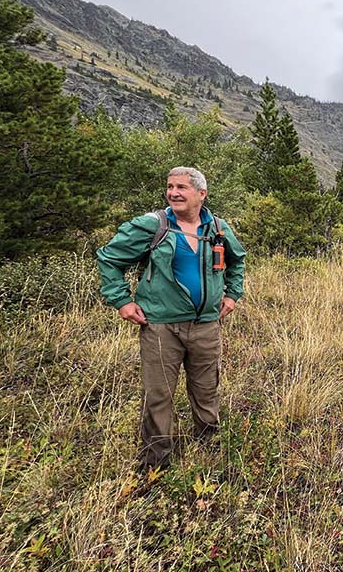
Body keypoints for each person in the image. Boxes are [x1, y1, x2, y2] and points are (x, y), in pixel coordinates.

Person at [96, 166, 246, 472]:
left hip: (206, 324)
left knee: (206, 390)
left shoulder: (216, 227)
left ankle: (208, 447)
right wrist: (122, 300)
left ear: (201, 194)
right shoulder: (153, 225)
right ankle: (155, 461)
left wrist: (232, 295)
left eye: (182, 187)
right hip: (161, 325)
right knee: (159, 394)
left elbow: (237, 260)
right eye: (170, 186)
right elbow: (110, 258)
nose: (174, 192)